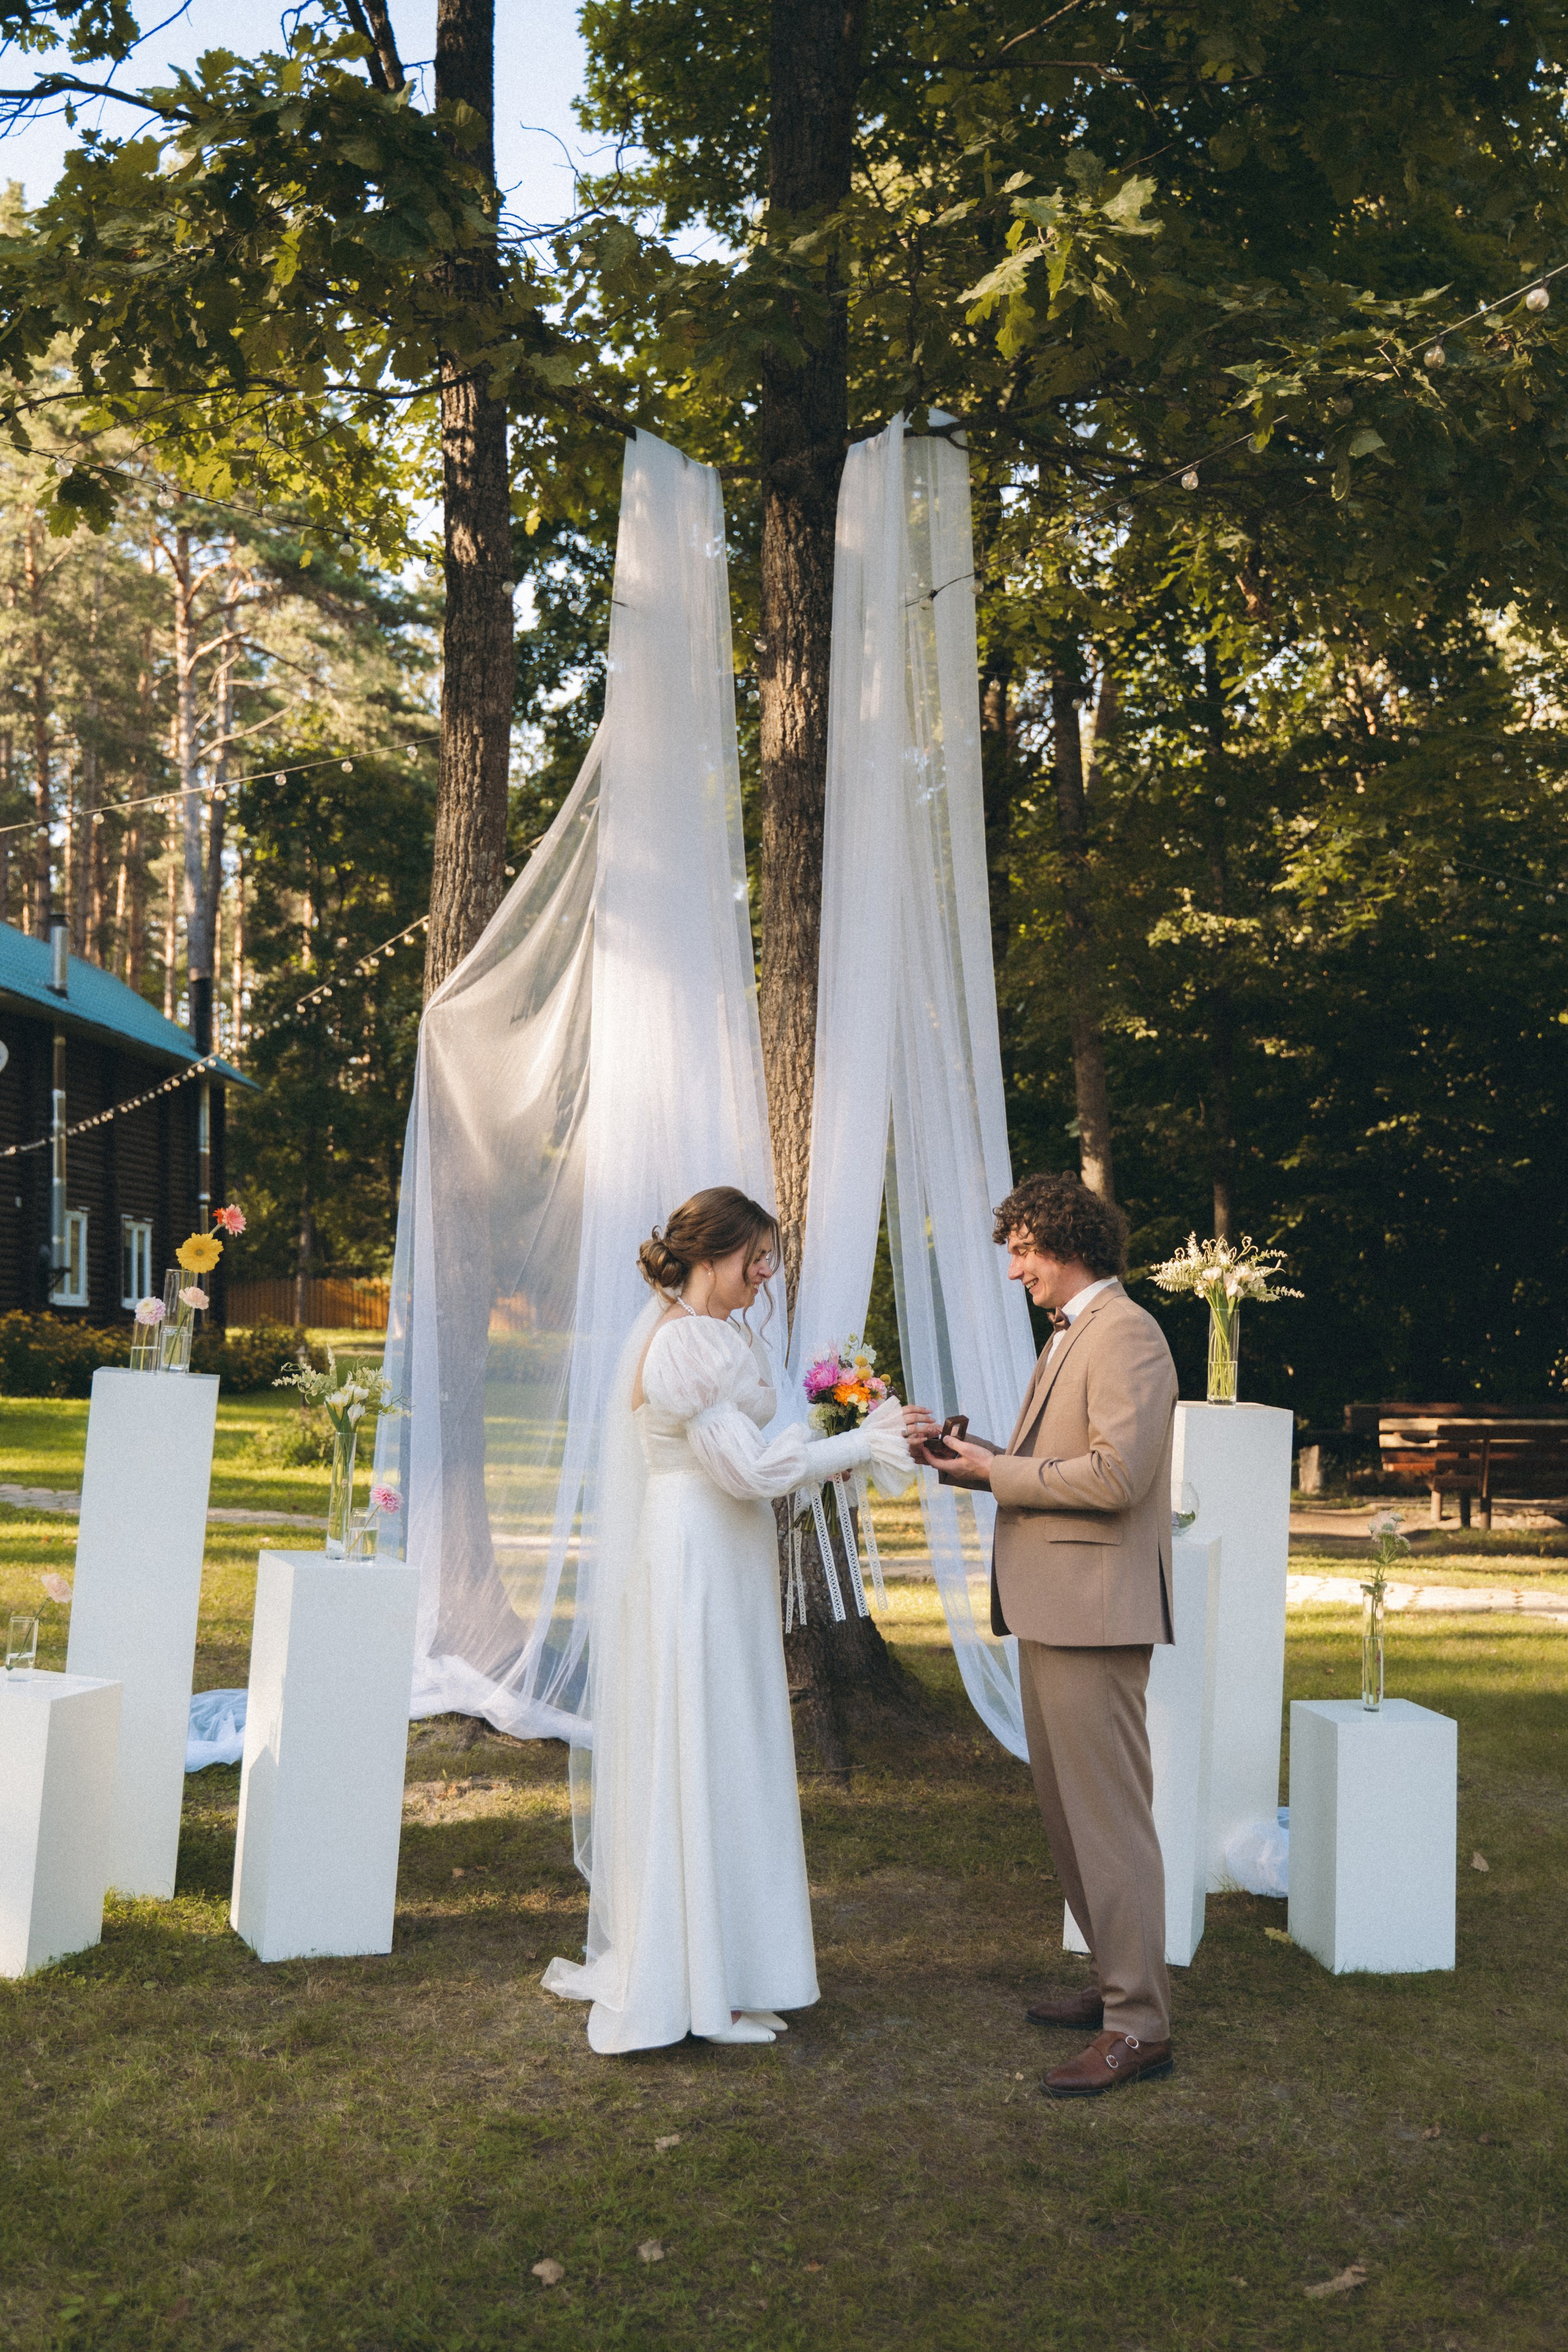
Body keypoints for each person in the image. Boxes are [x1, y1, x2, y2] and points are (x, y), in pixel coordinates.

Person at [544, 1186, 917, 2052]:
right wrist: (863, 1443)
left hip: (729, 1558)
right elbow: (745, 1472)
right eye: (754, 1261)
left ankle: (738, 1966)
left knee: (735, 1746)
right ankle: (696, 1979)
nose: (762, 1278)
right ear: (711, 1254)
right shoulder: (680, 1347)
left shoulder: (720, 1336)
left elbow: (767, 1458)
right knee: (702, 1743)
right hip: (695, 1559)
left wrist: (848, 1434)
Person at [907, 1172, 1178, 2098]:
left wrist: (1003, 1467)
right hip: (1052, 1606)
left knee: (1110, 1824)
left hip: (1094, 1615)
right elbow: (1046, 1467)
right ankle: (1115, 1989)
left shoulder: (1127, 1333)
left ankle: (1139, 2025)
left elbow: (1114, 1477)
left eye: (1024, 1248)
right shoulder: (1072, 1335)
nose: (1016, 1267)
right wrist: (965, 1461)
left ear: (1068, 1244)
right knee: (1071, 1817)